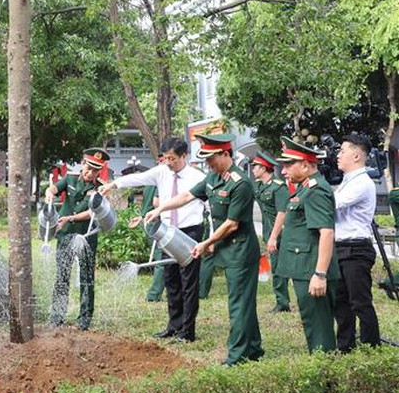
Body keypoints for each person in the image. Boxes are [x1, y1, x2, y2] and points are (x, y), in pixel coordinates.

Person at [143, 133, 264, 365]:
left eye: (211, 159)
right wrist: (160, 209)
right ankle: (254, 348)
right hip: (226, 249)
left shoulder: (240, 183)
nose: (208, 164)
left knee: (239, 302)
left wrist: (206, 243)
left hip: (240, 250)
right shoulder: (213, 178)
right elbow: (187, 195)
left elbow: (232, 223)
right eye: (206, 159)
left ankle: (237, 354)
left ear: (225, 154)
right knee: (242, 300)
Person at [102, 137, 205, 342]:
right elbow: (138, 178)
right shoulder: (161, 172)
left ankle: (187, 331)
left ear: (184, 156)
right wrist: (113, 184)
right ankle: (173, 326)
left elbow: (206, 205)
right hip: (166, 231)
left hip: (189, 231)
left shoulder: (197, 177)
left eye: (173, 159)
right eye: (165, 158)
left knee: (188, 282)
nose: (168, 162)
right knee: (171, 279)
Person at [275, 136, 339, 353]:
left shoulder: (316, 190)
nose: (284, 171)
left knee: (319, 329)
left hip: (312, 269)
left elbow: (327, 233)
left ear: (305, 164)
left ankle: (326, 379)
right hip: (304, 268)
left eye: (288, 165)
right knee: (313, 324)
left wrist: (320, 273)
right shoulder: (304, 188)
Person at [47, 148, 110, 331]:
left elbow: (92, 212)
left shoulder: (100, 188)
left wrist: (71, 218)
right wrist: (49, 193)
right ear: (83, 164)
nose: (90, 173)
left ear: (100, 170)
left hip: (87, 236)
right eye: (88, 168)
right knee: (62, 275)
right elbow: (54, 188)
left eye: (95, 170)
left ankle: (84, 319)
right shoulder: (71, 179)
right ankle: (57, 316)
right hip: (66, 234)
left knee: (86, 277)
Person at [332, 133, 381, 351]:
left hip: (356, 248)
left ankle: (372, 348)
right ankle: (346, 347)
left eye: (343, 151)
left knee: (360, 302)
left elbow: (333, 204)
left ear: (357, 156)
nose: (338, 155)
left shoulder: (362, 182)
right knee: (341, 302)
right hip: (342, 247)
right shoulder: (346, 181)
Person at [251, 150, 292, 313]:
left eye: (255, 167)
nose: (253, 170)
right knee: (276, 266)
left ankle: (282, 303)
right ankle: (282, 300)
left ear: (263, 168)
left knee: (279, 267)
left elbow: (282, 213)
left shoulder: (278, 187)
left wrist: (274, 237)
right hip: (269, 231)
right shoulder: (260, 186)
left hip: (281, 232)